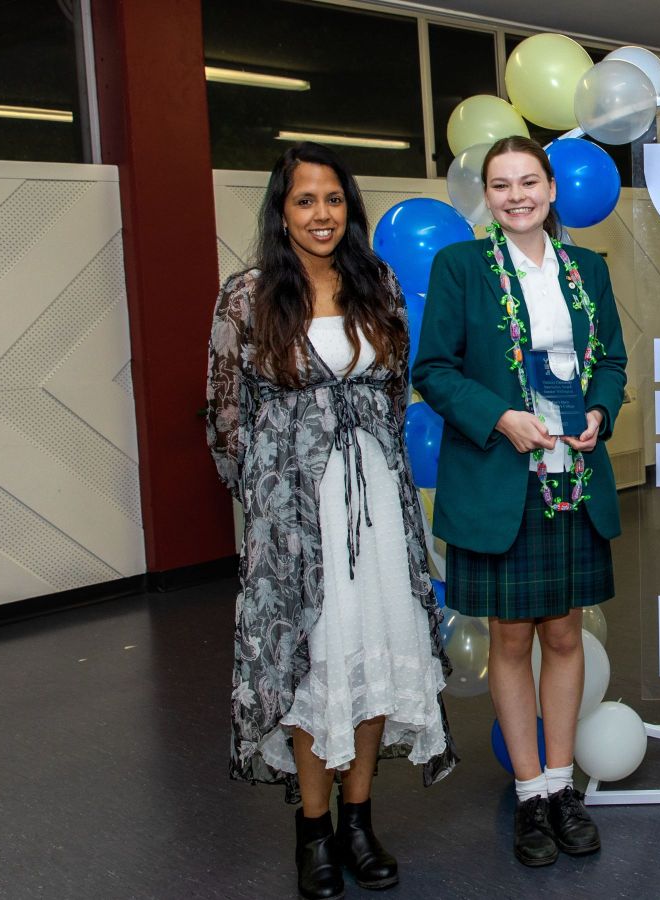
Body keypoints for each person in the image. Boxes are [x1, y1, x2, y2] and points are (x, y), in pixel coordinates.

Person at [206, 142, 456, 900]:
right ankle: (312, 831)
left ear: (350, 208)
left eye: (334, 200)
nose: (322, 215)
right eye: (305, 201)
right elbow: (224, 413)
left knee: (379, 652)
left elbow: (393, 391)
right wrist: (265, 502)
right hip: (295, 516)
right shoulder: (247, 296)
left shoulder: (376, 284)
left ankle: (358, 820)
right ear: (281, 214)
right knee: (316, 666)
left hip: (377, 505)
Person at [412, 135, 627, 868]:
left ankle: (564, 785)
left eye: (528, 181)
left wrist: (599, 412)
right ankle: (530, 791)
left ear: (552, 188)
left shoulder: (587, 269)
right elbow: (433, 369)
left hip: (575, 479)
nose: (516, 196)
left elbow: (613, 363)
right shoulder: (461, 267)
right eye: (500, 185)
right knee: (510, 638)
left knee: (565, 634)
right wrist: (501, 419)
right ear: (486, 195)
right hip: (503, 480)